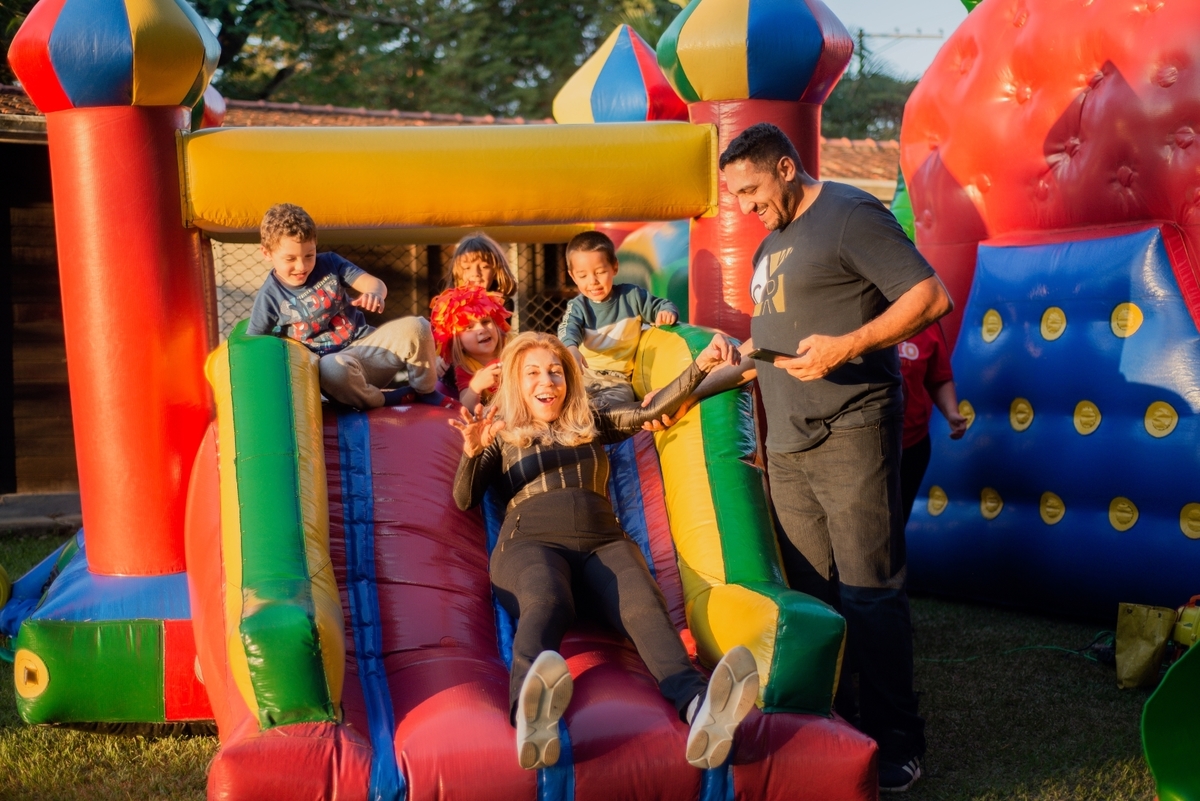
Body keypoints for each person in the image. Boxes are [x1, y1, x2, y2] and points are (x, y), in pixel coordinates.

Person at [702, 123, 953, 794]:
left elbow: (931, 297)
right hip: (786, 442)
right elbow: (779, 338)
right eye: (736, 196)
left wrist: (847, 346)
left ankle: (899, 739)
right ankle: (829, 730)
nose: (746, 206)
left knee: (870, 592)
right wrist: (734, 352)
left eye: (752, 189)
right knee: (811, 599)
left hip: (852, 428)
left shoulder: (849, 213)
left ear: (787, 168)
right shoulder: (771, 244)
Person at [449, 331, 758, 772]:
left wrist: (703, 365)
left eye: (555, 371)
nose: (547, 381)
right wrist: (471, 453)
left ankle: (699, 708)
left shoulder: (590, 419)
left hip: (604, 542)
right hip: (529, 543)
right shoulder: (500, 434)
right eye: (533, 372)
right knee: (547, 600)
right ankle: (529, 714)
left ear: (569, 379)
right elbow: (464, 498)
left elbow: (651, 409)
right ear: (516, 382)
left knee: (644, 605)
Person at [247, 203, 445, 409]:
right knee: (331, 367)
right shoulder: (270, 296)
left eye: (309, 255)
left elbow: (374, 283)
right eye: (290, 259)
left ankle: (425, 391)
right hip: (336, 376)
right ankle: (385, 399)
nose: (302, 266)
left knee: (418, 326)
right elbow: (254, 345)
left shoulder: (330, 264)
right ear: (267, 253)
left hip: (367, 351)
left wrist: (374, 294)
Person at [557, 231, 679, 407]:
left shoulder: (632, 297)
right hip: (583, 375)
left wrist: (666, 312)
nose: (593, 281)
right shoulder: (579, 306)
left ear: (614, 267)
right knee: (564, 398)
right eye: (583, 276)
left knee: (619, 402)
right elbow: (569, 328)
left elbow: (661, 305)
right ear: (573, 276)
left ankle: (595, 414)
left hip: (618, 380)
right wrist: (571, 348)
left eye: (600, 272)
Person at [898, 323, 967, 523]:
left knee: (894, 527)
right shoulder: (859, 308)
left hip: (911, 445)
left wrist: (952, 412)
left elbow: (938, 377)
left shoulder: (925, 318)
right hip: (863, 446)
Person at [429, 285, 511, 408]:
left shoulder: (513, 345)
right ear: (457, 342)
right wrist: (475, 387)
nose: (481, 330)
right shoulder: (465, 366)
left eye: (486, 322)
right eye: (469, 327)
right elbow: (466, 406)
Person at [448, 232, 518, 297]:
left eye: (484, 267)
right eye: (467, 267)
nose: (475, 273)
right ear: (458, 275)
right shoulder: (449, 305)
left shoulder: (502, 303)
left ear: (496, 271)